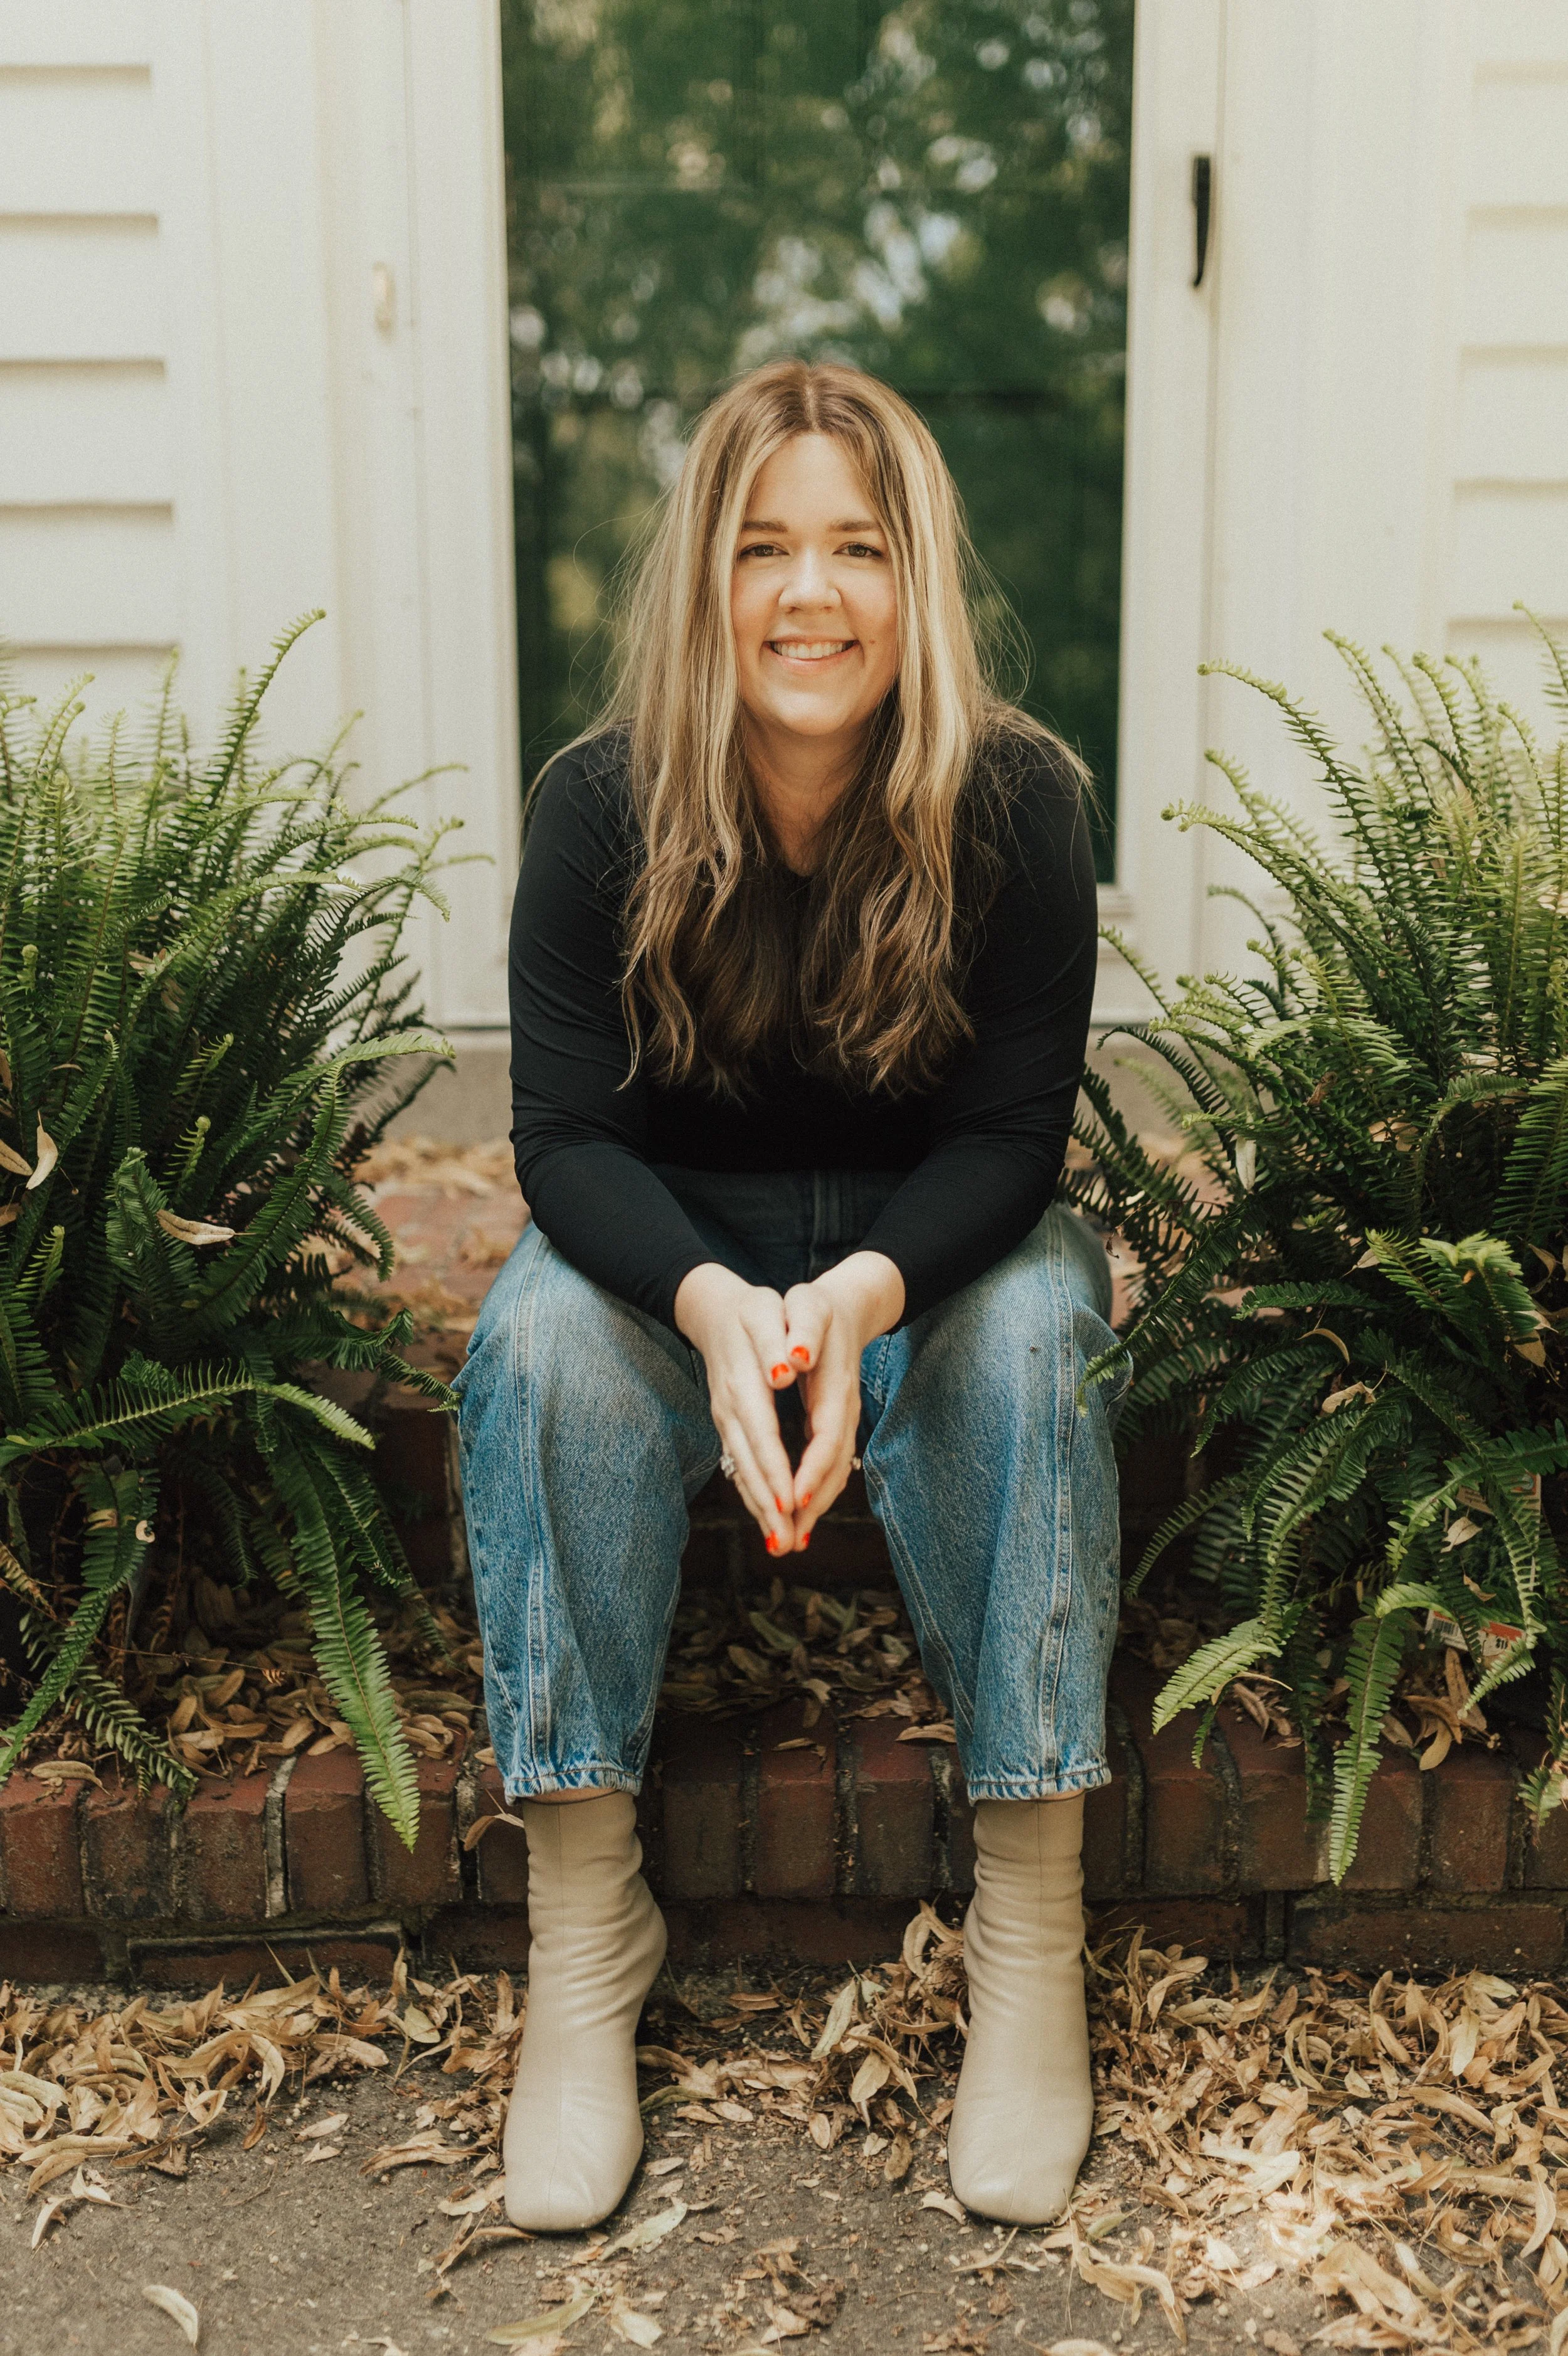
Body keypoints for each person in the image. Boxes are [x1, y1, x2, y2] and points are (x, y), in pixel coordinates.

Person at [453, 358, 1122, 2237]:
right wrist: (708, 1305)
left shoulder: (1016, 804)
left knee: (1041, 1333)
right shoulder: (600, 810)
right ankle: (587, 1931)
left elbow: (1011, 1140)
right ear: (702, 581)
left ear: (913, 578)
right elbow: (563, 1137)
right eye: (761, 548)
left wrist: (850, 1290)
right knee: (535, 1353)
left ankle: (1032, 1924)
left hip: (931, 1250)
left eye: (852, 545)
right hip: (671, 1246)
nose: (806, 595)